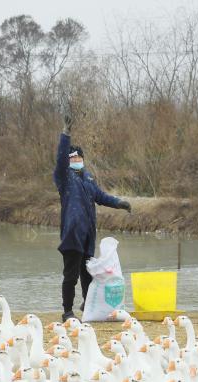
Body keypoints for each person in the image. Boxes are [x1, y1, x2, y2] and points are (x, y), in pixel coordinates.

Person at [53, 111, 131, 322]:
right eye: (72, 157)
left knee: (88, 274)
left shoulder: (87, 178)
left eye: (78, 157)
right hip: (72, 234)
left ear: (83, 159)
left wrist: (119, 203)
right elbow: (60, 158)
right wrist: (65, 134)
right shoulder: (64, 178)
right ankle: (67, 312)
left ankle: (88, 307)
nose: (76, 159)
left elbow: (101, 196)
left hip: (87, 235)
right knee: (71, 276)